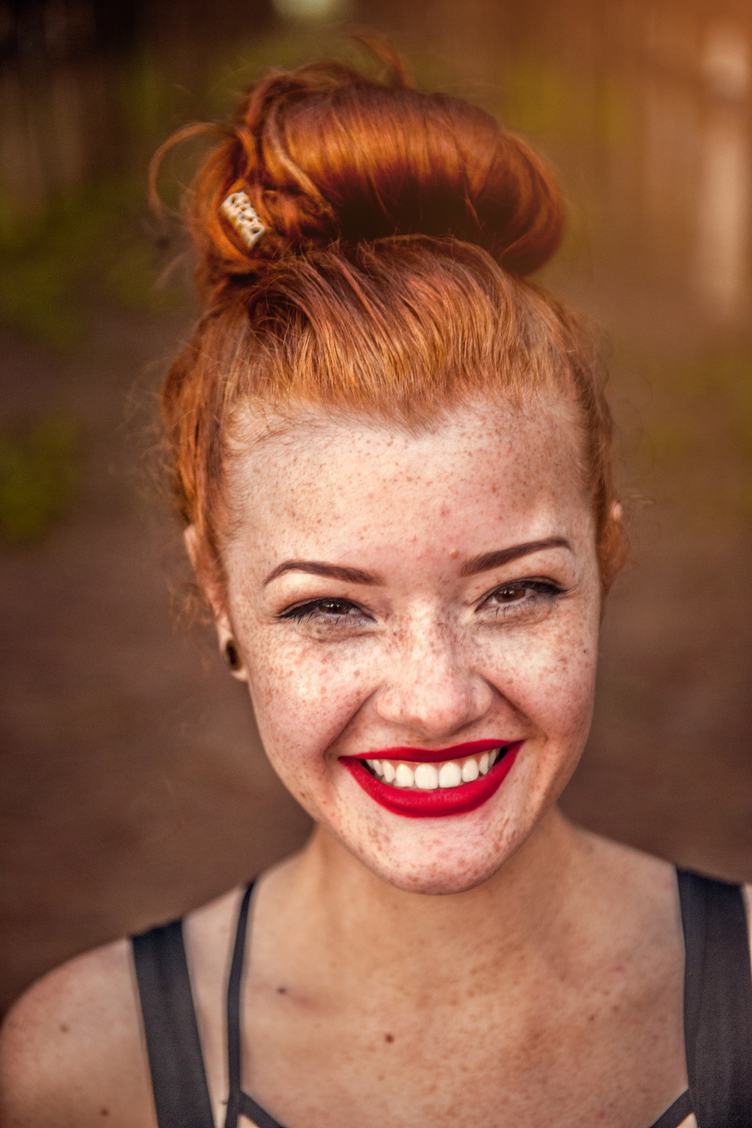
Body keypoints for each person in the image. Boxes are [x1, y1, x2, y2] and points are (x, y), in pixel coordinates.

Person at [1, 46, 750, 1128]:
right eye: (326, 607)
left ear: (604, 558)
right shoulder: (85, 1072)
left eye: (514, 592)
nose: (435, 700)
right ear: (219, 594)